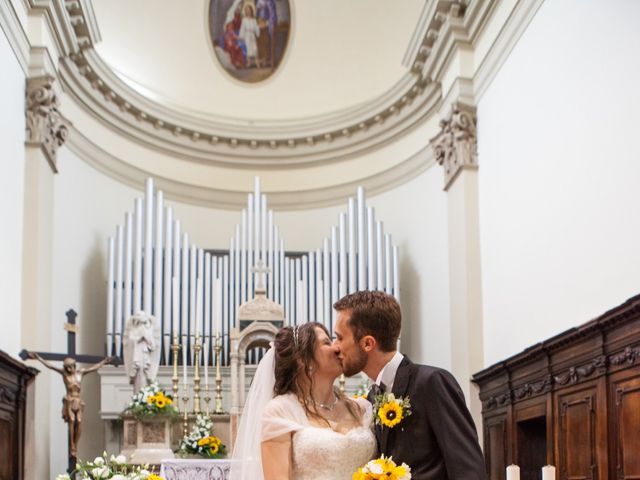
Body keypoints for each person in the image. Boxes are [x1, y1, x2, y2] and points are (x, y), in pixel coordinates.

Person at [333, 290, 486, 480]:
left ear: (367, 343)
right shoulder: (372, 397)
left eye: (339, 337)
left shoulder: (431, 382)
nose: (335, 347)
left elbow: (468, 468)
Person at [230, 322, 375, 480]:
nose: (337, 348)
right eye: (327, 342)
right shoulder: (281, 411)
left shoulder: (359, 408)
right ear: (302, 359)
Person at [27, 353, 115, 457]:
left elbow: (93, 368)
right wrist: (38, 358)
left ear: (74, 366)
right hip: (69, 400)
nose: (68, 369)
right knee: (72, 421)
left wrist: (103, 362)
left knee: (79, 421)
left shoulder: (80, 373)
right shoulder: (64, 374)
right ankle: (72, 446)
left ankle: (75, 445)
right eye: (66, 367)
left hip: (78, 401)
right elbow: (50, 366)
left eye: (70, 367)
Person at [239, 3, 261, 68]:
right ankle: (248, 63)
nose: (248, 12)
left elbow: (256, 27)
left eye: (249, 10)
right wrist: (241, 36)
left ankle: (257, 63)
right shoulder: (244, 20)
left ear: (251, 11)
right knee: (248, 49)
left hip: (252, 35)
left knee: (255, 49)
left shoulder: (254, 20)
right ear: (245, 12)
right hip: (247, 36)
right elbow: (242, 28)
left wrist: (257, 32)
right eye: (247, 10)